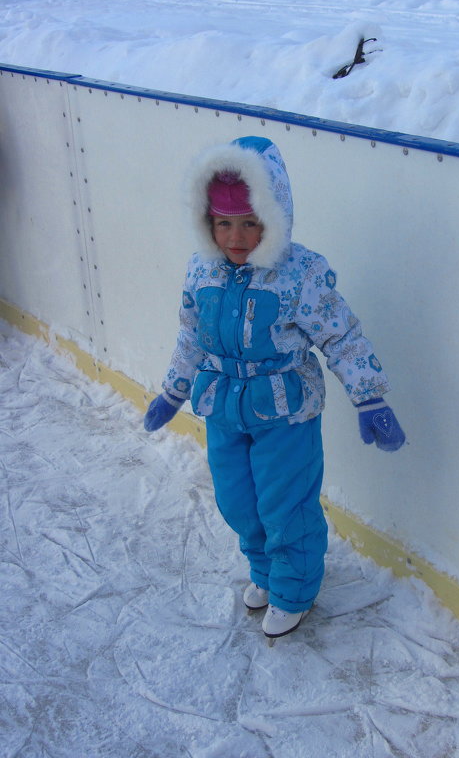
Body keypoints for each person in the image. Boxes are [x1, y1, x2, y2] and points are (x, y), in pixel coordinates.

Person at [144, 136, 405, 641]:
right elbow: (190, 335)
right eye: (224, 223)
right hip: (223, 407)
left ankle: (293, 589)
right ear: (208, 222)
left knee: (285, 506)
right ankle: (265, 573)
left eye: (250, 222)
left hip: (285, 412)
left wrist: (369, 396)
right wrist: (173, 391)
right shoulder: (201, 269)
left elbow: (341, 335)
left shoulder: (300, 274)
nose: (236, 237)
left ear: (274, 217)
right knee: (237, 501)